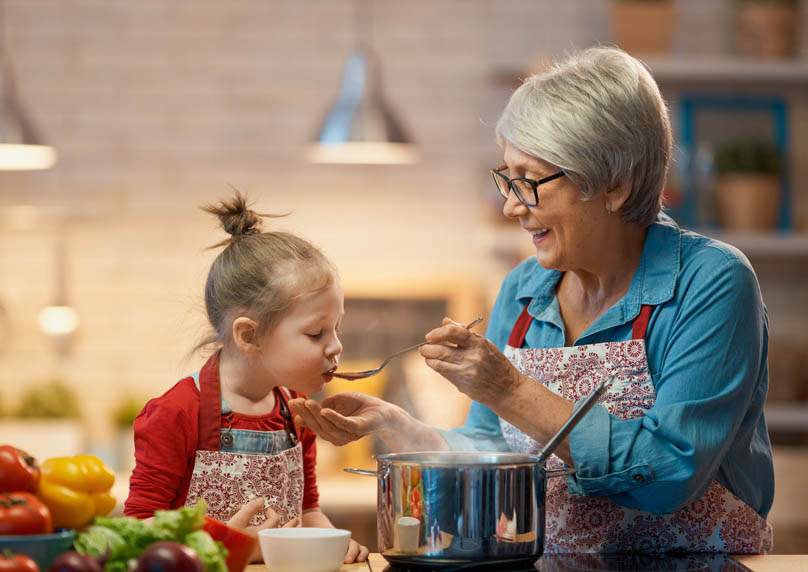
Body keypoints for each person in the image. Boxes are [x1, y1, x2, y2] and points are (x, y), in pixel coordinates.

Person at [289, 46, 774, 554]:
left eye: (529, 181)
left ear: (615, 184)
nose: (510, 204)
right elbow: (490, 452)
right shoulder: (524, 290)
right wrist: (395, 425)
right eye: (506, 177)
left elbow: (670, 474)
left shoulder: (711, 283)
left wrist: (510, 390)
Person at [125, 192, 369, 564]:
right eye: (316, 333)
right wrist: (229, 545)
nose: (335, 347)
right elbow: (140, 534)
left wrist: (332, 542)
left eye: (337, 328)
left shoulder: (297, 413)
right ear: (249, 335)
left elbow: (308, 511)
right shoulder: (176, 413)